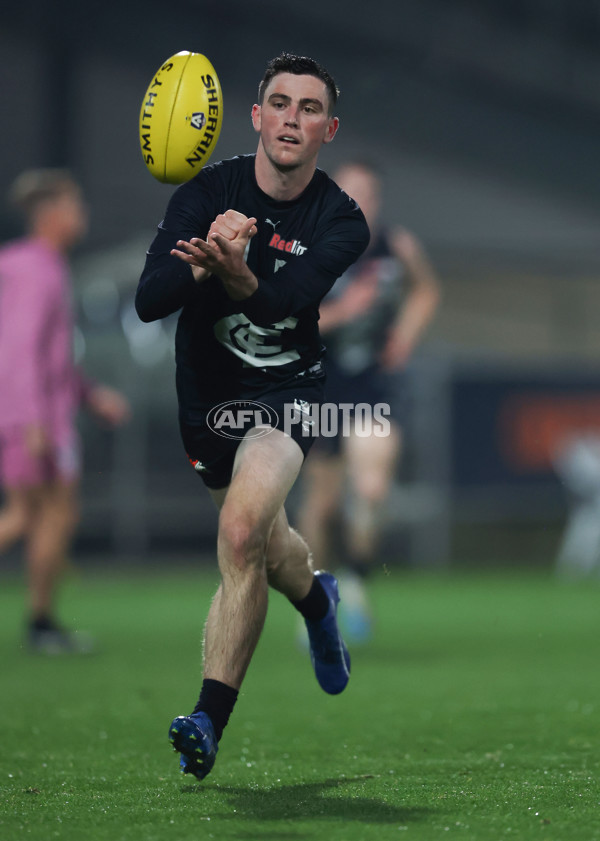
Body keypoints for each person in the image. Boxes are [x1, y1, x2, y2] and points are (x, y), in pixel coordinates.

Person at [136, 53, 370, 780]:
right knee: (268, 550)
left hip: (284, 393)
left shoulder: (340, 218)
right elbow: (150, 296)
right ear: (255, 116)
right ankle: (316, 598)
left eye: (308, 109)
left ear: (328, 128)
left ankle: (207, 717)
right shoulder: (209, 190)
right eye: (279, 103)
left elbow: (279, 303)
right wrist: (205, 261)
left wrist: (236, 270)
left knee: (239, 532)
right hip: (206, 400)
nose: (291, 118)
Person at [297, 161, 441, 641]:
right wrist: (344, 311)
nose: (361, 204)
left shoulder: (395, 246)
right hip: (321, 384)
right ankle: (317, 597)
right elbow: (289, 321)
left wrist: (405, 335)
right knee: (322, 504)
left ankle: (356, 581)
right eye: (350, 193)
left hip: (374, 386)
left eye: (370, 194)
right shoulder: (311, 248)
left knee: (373, 489)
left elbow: (425, 290)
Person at [0, 169, 131, 653]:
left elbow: (51, 355)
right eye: (75, 206)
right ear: (51, 214)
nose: (83, 216)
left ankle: (42, 623)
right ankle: (40, 623)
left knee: (53, 515)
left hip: (42, 414)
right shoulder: (36, 270)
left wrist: (90, 395)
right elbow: (18, 350)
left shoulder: (44, 266)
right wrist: (31, 418)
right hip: (33, 419)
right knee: (26, 515)